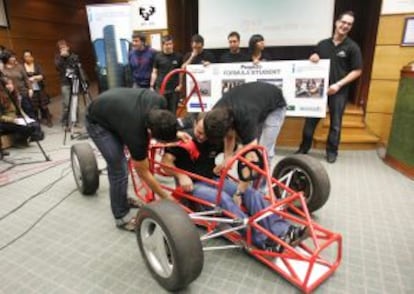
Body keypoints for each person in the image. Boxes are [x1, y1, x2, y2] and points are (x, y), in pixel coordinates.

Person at [162, 112, 308, 252]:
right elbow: (165, 164)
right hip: (194, 185)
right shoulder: (182, 139)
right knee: (224, 200)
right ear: (194, 123)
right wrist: (180, 175)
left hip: (214, 179)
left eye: (205, 134)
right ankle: (264, 240)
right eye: (199, 132)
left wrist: (230, 158)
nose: (201, 137)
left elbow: (241, 149)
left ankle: (283, 230)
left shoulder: (214, 137)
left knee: (249, 192)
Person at [86, 87, 188, 231]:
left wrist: (175, 133)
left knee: (124, 160)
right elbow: (143, 173)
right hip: (98, 121)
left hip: (115, 109)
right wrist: (166, 197)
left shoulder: (160, 102)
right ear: (150, 132)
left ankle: (122, 198)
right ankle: (121, 217)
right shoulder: (136, 135)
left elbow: (167, 123)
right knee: (119, 167)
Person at [296, 11, 362, 163]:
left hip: (339, 91)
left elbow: (357, 70)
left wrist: (338, 84)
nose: (345, 26)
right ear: (337, 22)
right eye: (343, 22)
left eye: (349, 24)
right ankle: (304, 148)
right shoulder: (322, 44)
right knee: (310, 122)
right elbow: (314, 61)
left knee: (336, 124)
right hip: (318, 90)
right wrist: (313, 58)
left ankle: (332, 152)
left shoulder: (352, 47)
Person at [0, 76, 44, 146]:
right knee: (26, 128)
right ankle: (19, 140)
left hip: (16, 119)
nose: (10, 86)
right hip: (5, 122)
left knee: (35, 125)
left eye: (11, 84)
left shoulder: (14, 96)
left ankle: (27, 137)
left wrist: (26, 118)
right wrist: (12, 120)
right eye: (7, 84)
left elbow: (19, 110)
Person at [55, 39, 86, 126]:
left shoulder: (73, 56)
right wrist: (62, 57)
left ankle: (75, 121)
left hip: (74, 82)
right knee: (66, 103)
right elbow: (57, 67)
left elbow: (77, 66)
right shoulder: (58, 57)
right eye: (61, 48)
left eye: (64, 47)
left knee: (75, 103)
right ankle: (65, 122)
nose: (63, 49)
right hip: (65, 83)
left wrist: (68, 56)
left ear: (68, 47)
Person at [150, 35, 183, 114]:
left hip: (174, 89)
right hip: (161, 89)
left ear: (173, 44)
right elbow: (154, 72)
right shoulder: (158, 57)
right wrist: (151, 86)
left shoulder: (178, 56)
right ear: (163, 45)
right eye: (166, 44)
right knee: (162, 111)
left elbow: (181, 72)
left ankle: (173, 126)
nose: (169, 46)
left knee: (173, 111)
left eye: (170, 44)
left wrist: (181, 84)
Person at [1, 50, 35, 119]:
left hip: (24, 92)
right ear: (6, 59)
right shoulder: (2, 70)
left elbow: (26, 78)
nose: (14, 58)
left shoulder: (19, 66)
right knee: (19, 114)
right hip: (13, 96)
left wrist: (30, 88)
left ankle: (36, 128)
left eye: (14, 56)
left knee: (30, 111)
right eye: (11, 57)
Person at [23, 50, 53, 127]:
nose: (27, 58)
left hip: (39, 88)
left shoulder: (37, 65)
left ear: (32, 57)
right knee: (34, 106)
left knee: (44, 105)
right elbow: (23, 78)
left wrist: (34, 77)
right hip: (30, 90)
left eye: (29, 56)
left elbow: (42, 75)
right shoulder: (22, 67)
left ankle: (48, 120)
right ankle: (37, 122)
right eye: (26, 56)